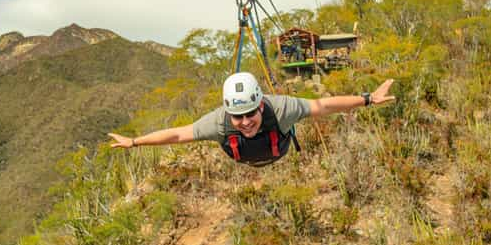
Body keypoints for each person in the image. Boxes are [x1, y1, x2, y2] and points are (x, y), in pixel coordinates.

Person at [109, 72, 396, 167]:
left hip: (277, 151)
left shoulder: (281, 108)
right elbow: (177, 135)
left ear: (261, 106)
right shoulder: (218, 122)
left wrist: (368, 99)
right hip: (245, 157)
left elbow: (323, 105)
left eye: (250, 113)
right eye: (237, 116)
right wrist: (134, 142)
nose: (245, 121)